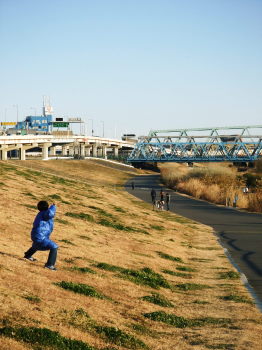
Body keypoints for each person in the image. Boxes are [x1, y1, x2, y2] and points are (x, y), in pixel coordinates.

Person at [24, 201, 58, 271]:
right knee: (54, 246)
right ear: (47, 207)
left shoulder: (40, 214)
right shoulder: (45, 213)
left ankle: (27, 255)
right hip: (40, 236)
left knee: (36, 245)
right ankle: (50, 264)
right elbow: (50, 214)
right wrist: (53, 206)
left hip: (36, 234)